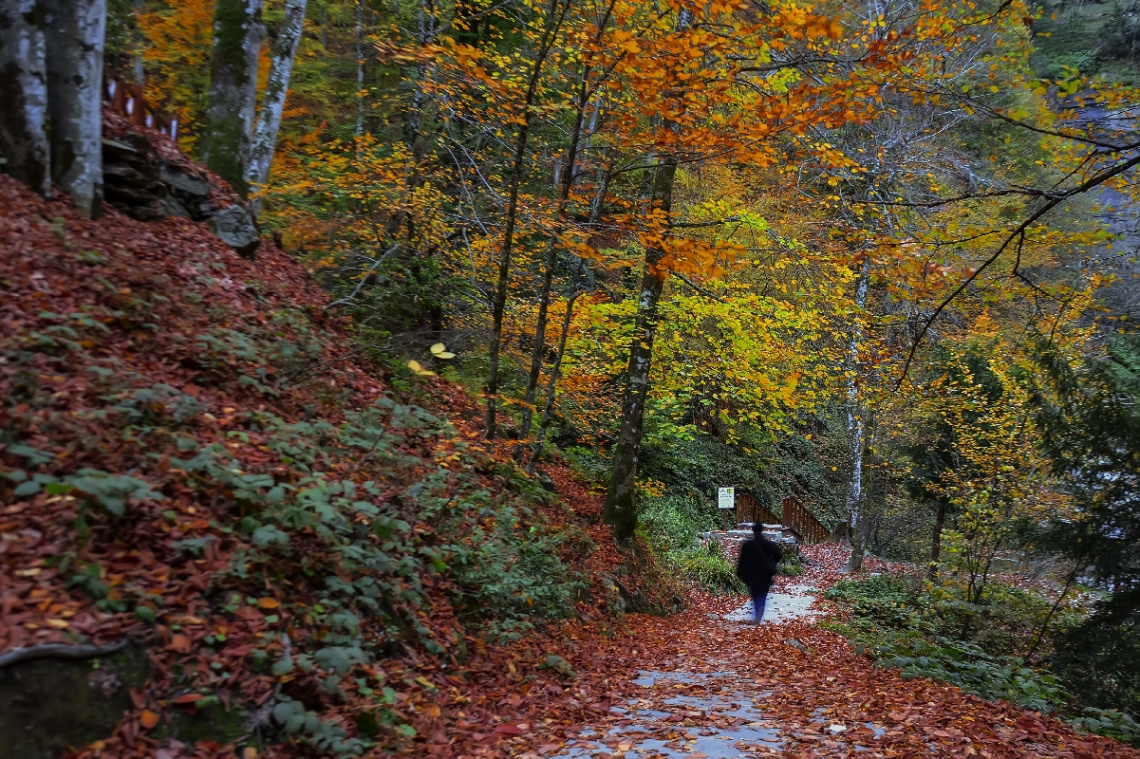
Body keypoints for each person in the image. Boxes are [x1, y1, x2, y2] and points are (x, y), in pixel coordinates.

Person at [736, 524, 783, 624]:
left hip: (752, 574)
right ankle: (759, 611)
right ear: (762, 530)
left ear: (753, 530)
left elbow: (742, 560)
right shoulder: (769, 544)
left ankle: (758, 611)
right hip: (765, 574)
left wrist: (740, 573)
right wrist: (772, 561)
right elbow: (779, 555)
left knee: (755, 593)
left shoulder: (748, 545)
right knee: (762, 593)